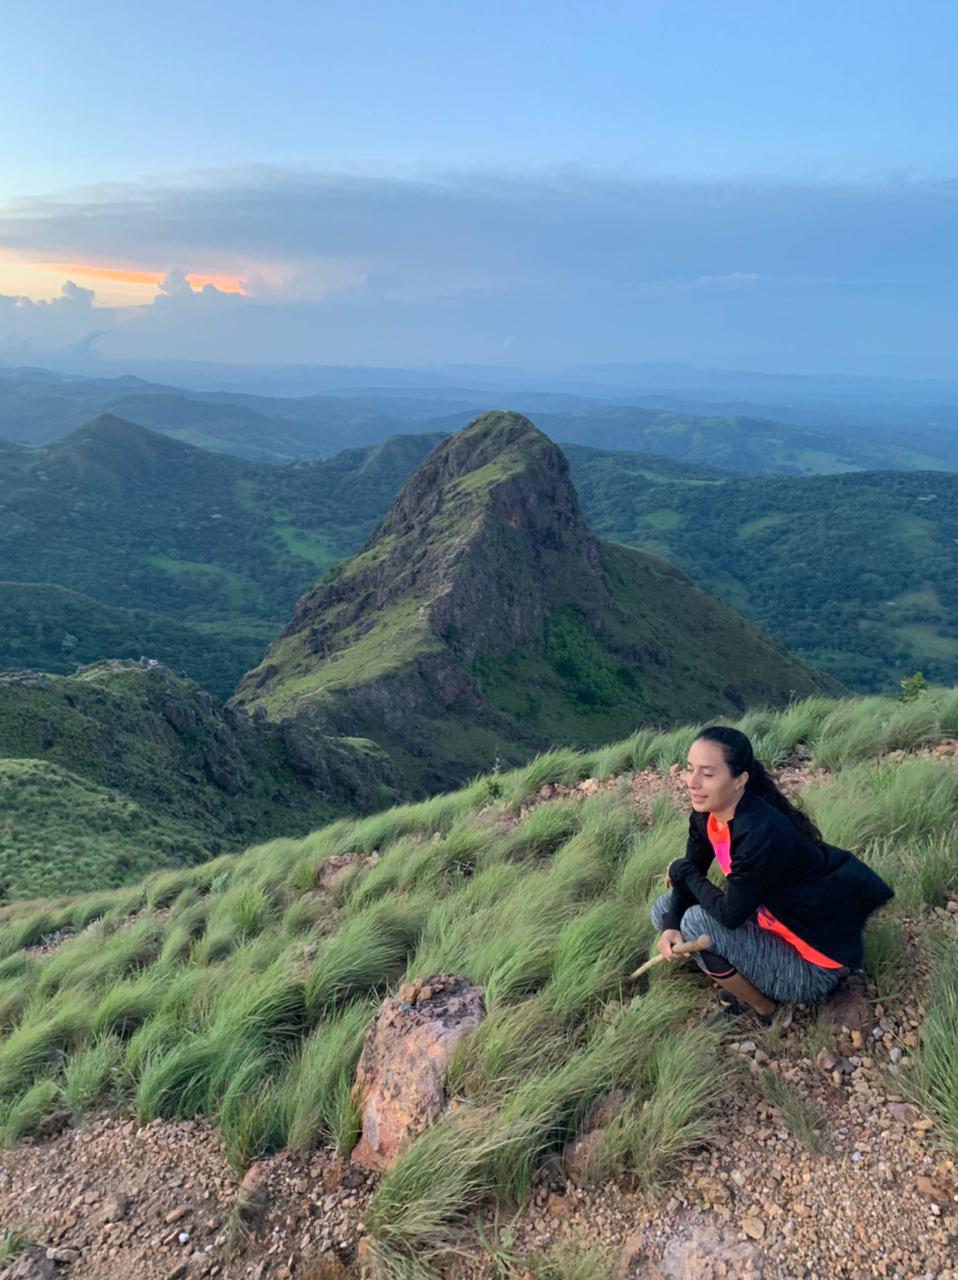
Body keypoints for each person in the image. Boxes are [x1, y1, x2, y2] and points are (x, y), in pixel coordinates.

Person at [650, 725, 893, 1025]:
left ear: (740, 780)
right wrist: (671, 923)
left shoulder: (759, 832)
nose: (693, 782)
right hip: (770, 922)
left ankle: (764, 1009)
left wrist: (682, 871)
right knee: (664, 909)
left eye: (708, 774)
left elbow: (728, 914)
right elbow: (692, 874)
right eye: (689, 770)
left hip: (810, 963)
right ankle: (734, 970)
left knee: (696, 922)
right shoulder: (707, 814)